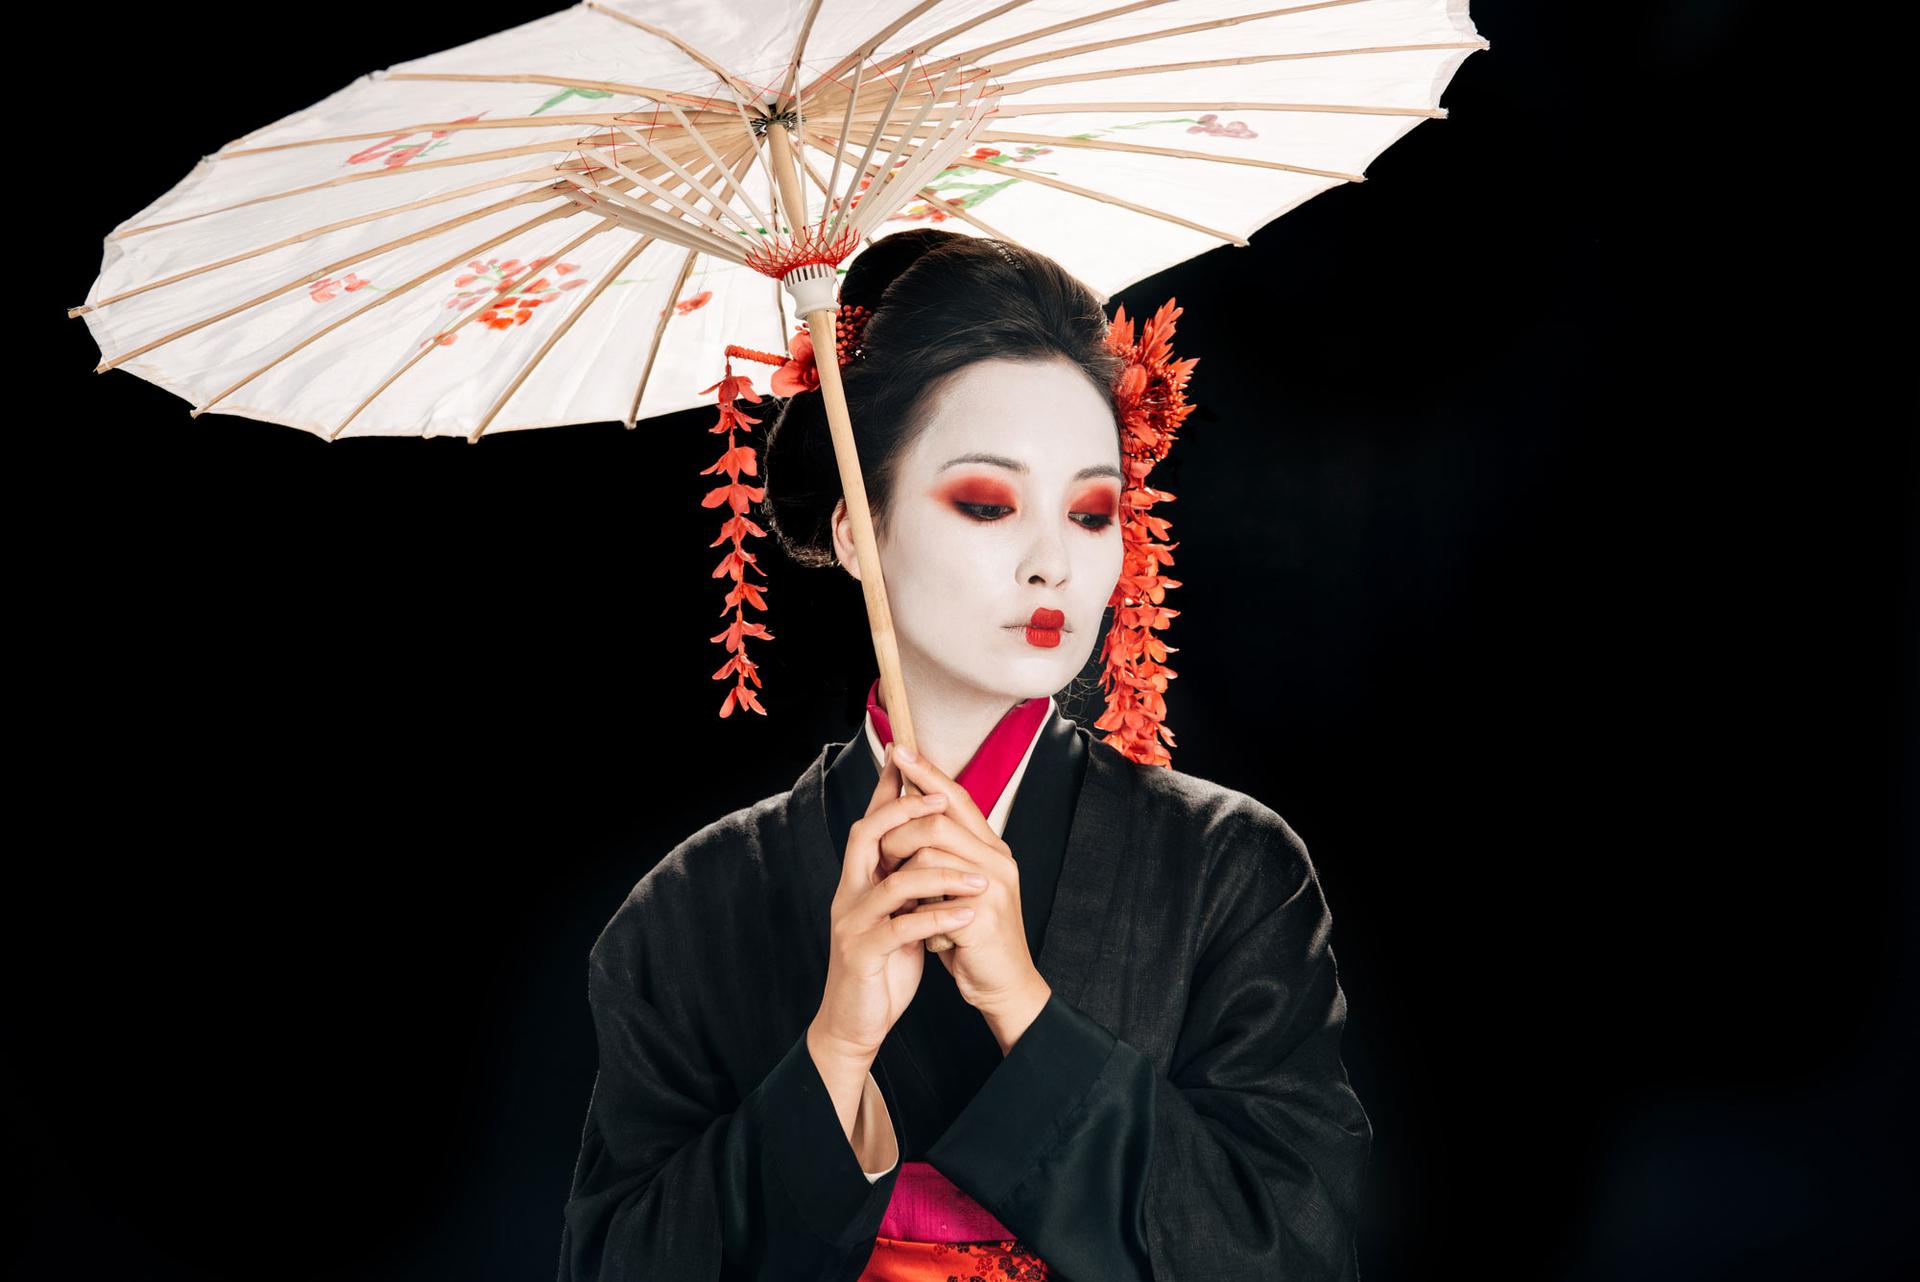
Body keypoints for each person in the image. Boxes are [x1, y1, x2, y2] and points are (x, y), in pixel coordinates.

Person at [556, 229, 1372, 1281]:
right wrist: (835, 1050)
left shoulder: (1229, 869)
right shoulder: (689, 908)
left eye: (1091, 512)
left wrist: (1022, 1003)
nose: (1052, 563)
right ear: (857, 532)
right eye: (988, 503)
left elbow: (1298, 1248)